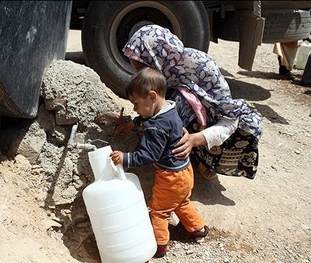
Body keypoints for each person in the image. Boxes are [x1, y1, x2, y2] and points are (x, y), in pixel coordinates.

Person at [120, 24, 264, 180]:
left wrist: (194, 140)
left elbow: (229, 120)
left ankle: (205, 159)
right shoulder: (168, 71)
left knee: (178, 103)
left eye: (143, 69)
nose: (141, 75)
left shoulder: (201, 67)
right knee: (168, 105)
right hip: (190, 123)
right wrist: (136, 123)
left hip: (220, 127)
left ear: (157, 58)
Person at [110, 66, 208, 259]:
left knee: (159, 211)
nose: (135, 109)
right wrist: (135, 123)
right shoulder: (170, 108)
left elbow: (148, 155)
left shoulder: (156, 128)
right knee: (181, 202)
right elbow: (149, 117)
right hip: (185, 172)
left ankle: (159, 245)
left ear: (152, 96)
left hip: (170, 178)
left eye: (136, 104)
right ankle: (199, 229)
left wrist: (125, 158)